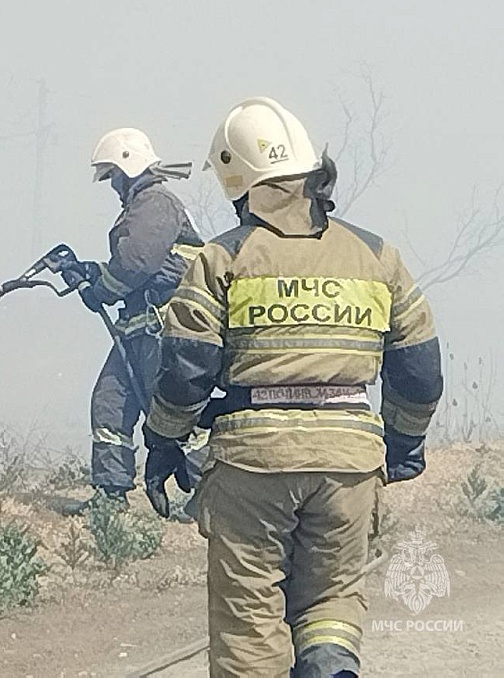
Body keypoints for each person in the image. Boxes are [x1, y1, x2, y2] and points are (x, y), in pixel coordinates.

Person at [142, 97, 443, 677]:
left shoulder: (221, 258)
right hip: (349, 466)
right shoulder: (377, 256)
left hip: (252, 467)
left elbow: (186, 370)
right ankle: (329, 666)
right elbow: (420, 368)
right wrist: (404, 445)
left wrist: (163, 441)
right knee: (330, 605)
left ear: (238, 181)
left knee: (250, 623)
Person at [60, 127, 203, 516]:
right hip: (138, 328)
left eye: (113, 176)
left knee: (175, 410)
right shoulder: (142, 206)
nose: (112, 185)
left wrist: (101, 289)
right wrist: (93, 273)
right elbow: (129, 266)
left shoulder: (156, 202)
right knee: (109, 403)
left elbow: (137, 263)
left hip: (166, 328)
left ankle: (209, 496)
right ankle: (111, 494)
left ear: (129, 167)